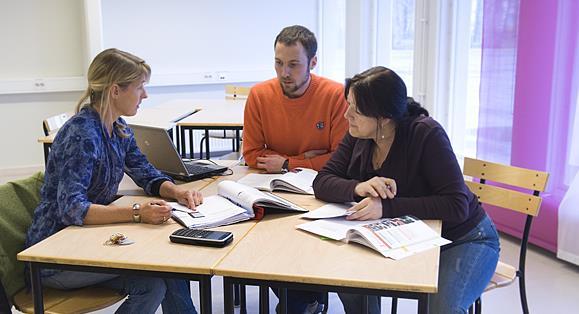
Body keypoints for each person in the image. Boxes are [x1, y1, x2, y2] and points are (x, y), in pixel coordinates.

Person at [25, 48, 201, 314]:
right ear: (115, 90)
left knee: (165, 274)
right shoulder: (82, 134)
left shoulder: (117, 127)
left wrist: (176, 192)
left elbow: (143, 170)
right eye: (140, 87)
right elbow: (73, 209)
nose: (145, 95)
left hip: (87, 240)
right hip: (55, 257)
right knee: (156, 279)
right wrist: (137, 213)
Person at [312, 66, 500, 313]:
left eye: (356, 110)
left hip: (464, 238)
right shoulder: (358, 134)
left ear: (384, 117)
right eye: (348, 104)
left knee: (441, 310)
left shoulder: (426, 134)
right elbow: (322, 181)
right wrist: (359, 187)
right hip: (404, 236)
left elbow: (456, 205)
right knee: (349, 282)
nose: (347, 115)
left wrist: (386, 207)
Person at [242, 25, 348, 174]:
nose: (284, 73)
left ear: (313, 63)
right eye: (279, 63)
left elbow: (341, 159)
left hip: (319, 181)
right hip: (271, 182)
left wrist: (287, 164)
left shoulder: (336, 95)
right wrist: (301, 159)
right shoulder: (258, 95)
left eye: (293, 64)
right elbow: (251, 154)